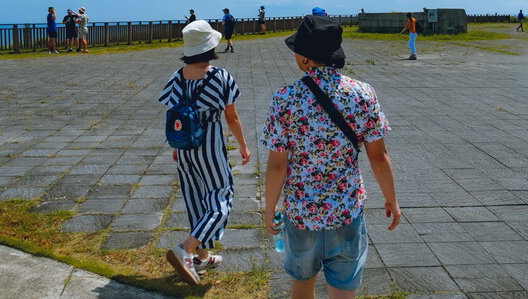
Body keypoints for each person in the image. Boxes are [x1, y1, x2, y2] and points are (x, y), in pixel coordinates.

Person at [262, 15, 400, 299]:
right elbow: (379, 156)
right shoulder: (363, 94)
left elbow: (277, 165)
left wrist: (270, 207)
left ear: (304, 59)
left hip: (301, 213)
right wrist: (392, 199)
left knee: (301, 286)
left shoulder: (285, 98)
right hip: (346, 210)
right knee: (343, 291)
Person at [161, 20, 251, 285]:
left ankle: (202, 256)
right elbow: (231, 118)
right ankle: (185, 249)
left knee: (196, 197)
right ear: (211, 46)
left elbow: (173, 114)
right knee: (222, 194)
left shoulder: (177, 76)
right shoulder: (220, 77)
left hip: (185, 146)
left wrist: (175, 145)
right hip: (209, 142)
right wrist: (243, 146)